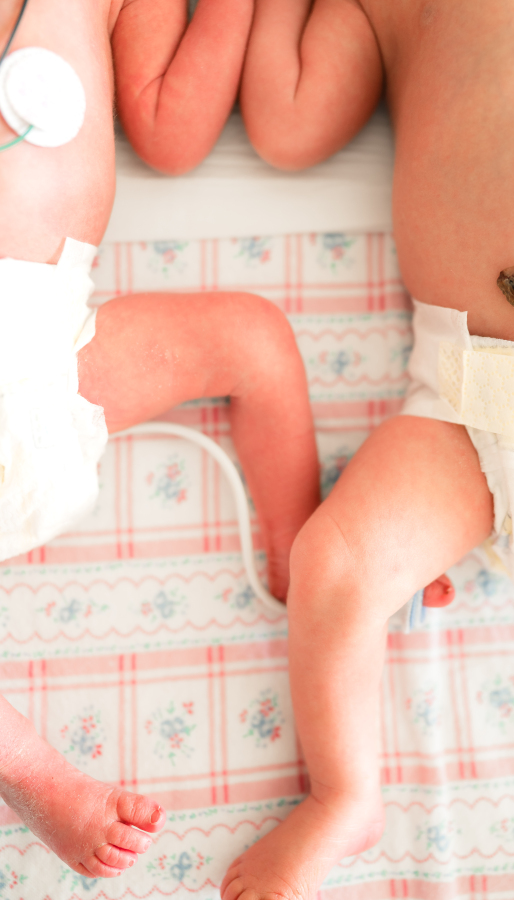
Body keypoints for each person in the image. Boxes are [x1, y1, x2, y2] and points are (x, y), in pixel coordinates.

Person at [219, 2, 514, 899]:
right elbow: (286, 124)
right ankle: (345, 798)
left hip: (488, 399)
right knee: (337, 560)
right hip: (473, 412)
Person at [0, 0, 320, 881]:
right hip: (39, 362)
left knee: (254, 338)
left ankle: (299, 543)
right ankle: (30, 770)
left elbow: (171, 133)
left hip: (48, 358)